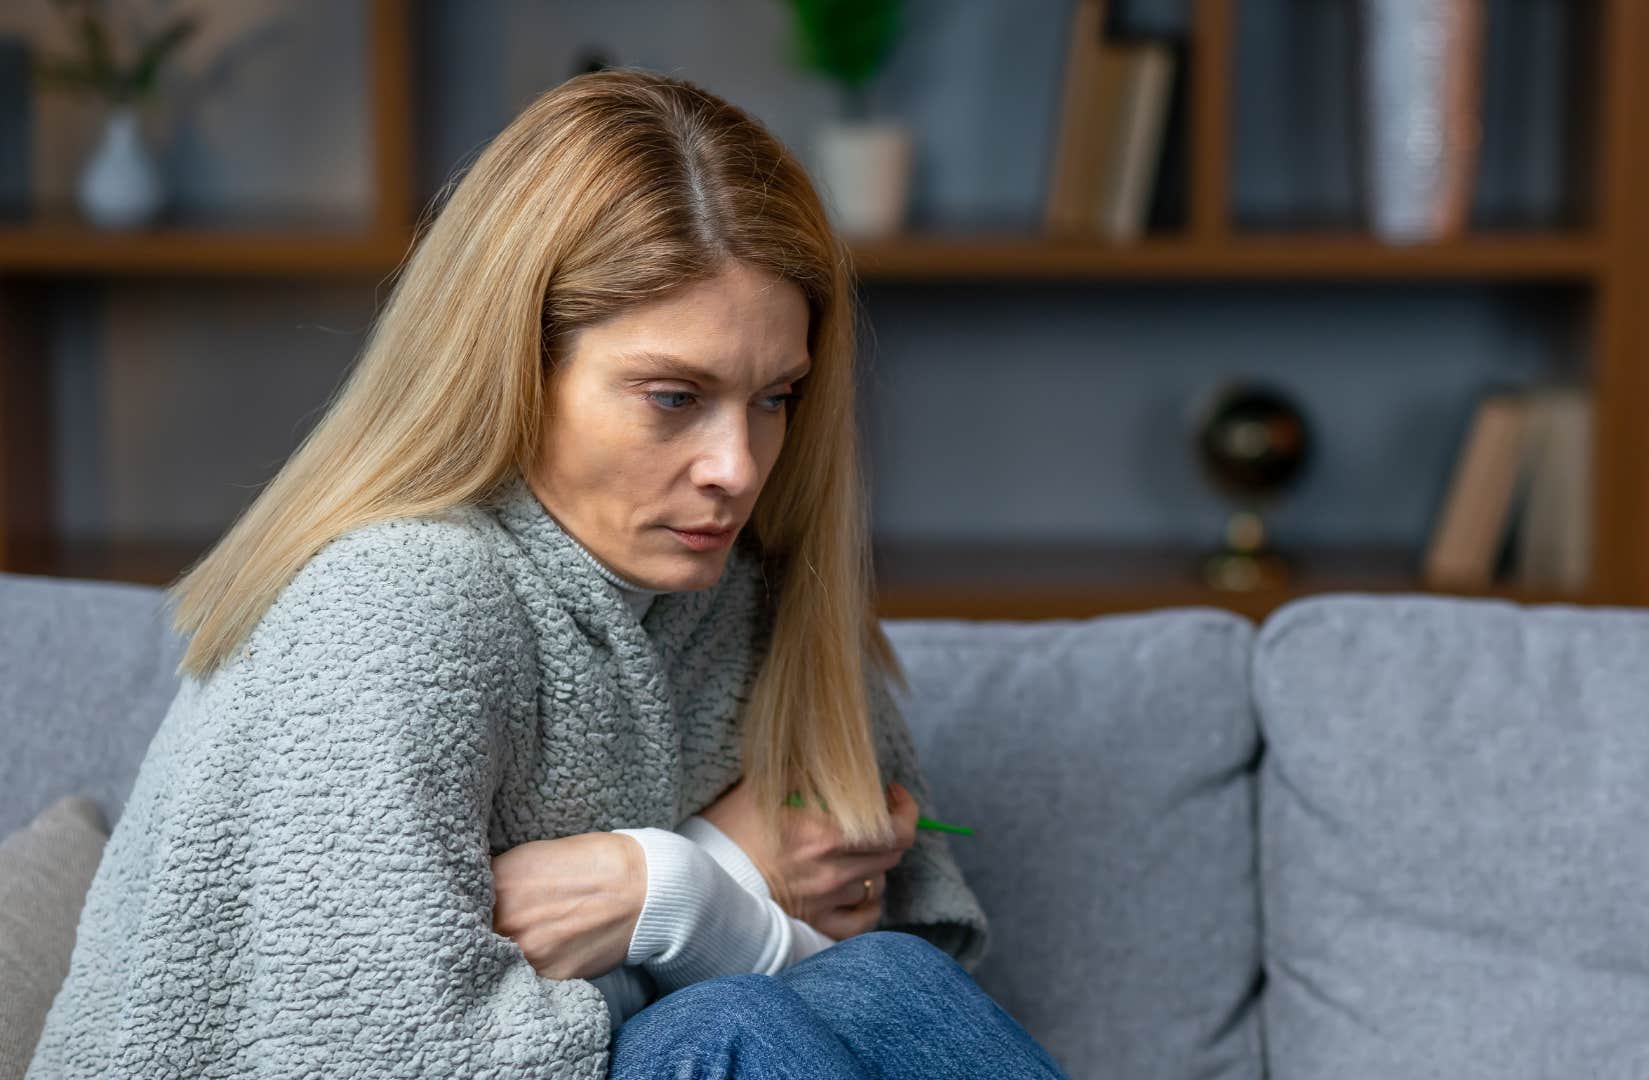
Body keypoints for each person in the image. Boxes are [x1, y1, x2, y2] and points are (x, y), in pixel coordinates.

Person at [25, 69, 1068, 1079]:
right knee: (733, 1029)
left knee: (882, 981)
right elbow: (377, 1051)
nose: (737, 470)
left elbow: (879, 993)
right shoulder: (398, 602)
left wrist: (677, 892)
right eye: (673, 396)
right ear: (518, 364)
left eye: (773, 398)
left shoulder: (748, 601)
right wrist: (693, 882)